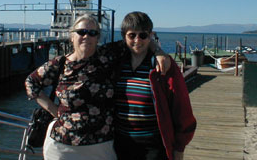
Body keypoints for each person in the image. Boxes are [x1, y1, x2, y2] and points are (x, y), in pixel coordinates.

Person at [25, 13, 170, 160]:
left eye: (92, 33)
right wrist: (54, 110)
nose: (87, 36)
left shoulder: (107, 55)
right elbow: (31, 82)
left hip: (101, 146)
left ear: (98, 37)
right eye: (81, 32)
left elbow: (138, 37)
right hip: (62, 146)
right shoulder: (59, 64)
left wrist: (159, 52)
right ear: (72, 36)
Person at [113, 11, 196, 160]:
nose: (137, 40)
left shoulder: (163, 66)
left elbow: (181, 107)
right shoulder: (117, 61)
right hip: (121, 142)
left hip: (153, 145)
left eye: (143, 35)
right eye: (132, 35)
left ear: (150, 35)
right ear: (124, 36)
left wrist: (179, 147)